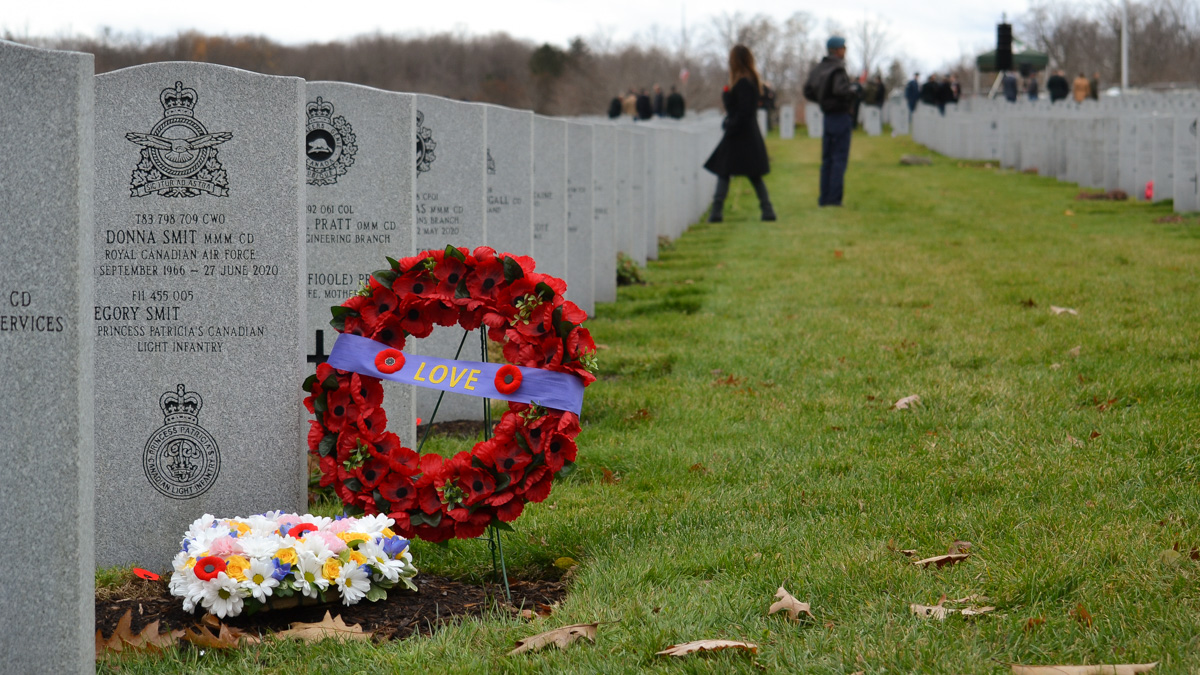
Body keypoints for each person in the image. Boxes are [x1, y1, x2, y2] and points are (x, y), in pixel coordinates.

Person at [704, 44, 775, 222]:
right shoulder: (748, 80)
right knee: (739, 173)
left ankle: (717, 213)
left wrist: (730, 124)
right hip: (745, 133)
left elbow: (744, 111)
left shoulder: (744, 82)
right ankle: (766, 211)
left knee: (727, 171)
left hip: (740, 135)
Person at [803, 35, 856, 207]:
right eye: (843, 48)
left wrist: (823, 100)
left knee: (827, 159)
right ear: (836, 49)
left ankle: (823, 199)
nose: (845, 51)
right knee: (839, 158)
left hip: (828, 117)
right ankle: (834, 199)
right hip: (840, 116)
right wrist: (854, 92)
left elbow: (807, 90)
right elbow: (840, 90)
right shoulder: (837, 68)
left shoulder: (819, 68)